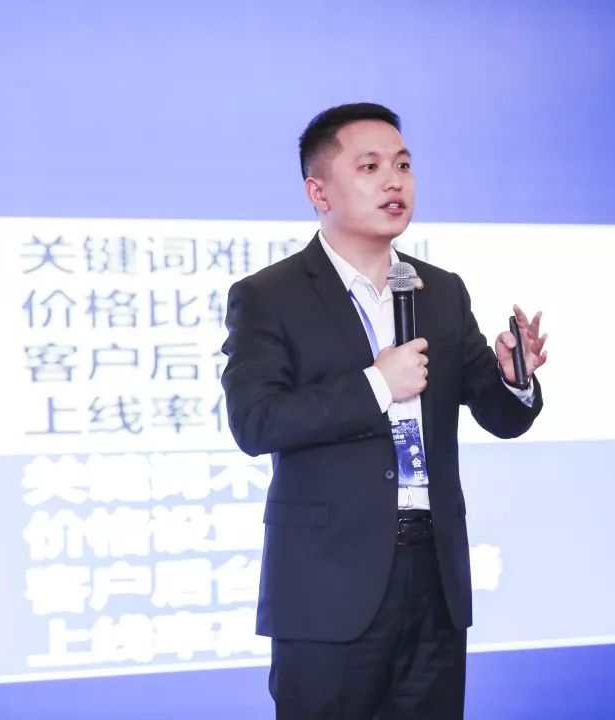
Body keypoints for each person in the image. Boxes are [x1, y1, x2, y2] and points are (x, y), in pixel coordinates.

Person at [219, 102, 548, 719]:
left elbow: (503, 418)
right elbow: (256, 422)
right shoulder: (269, 296)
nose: (394, 181)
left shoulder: (441, 290)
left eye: (402, 165)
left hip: (434, 576)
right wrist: (377, 384)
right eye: (369, 167)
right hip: (327, 584)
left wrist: (515, 379)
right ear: (319, 192)